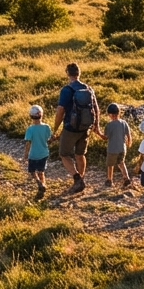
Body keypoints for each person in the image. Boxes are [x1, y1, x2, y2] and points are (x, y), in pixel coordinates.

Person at [51, 62, 100, 195]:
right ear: (79, 73)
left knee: (64, 154)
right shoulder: (89, 89)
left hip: (70, 128)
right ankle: (81, 178)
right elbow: (96, 109)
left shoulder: (67, 90)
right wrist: (96, 126)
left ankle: (77, 178)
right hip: (85, 128)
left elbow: (60, 110)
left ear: (67, 73)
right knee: (80, 154)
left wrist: (56, 128)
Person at [99, 103, 132, 188]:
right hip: (122, 148)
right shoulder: (124, 123)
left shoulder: (109, 125)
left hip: (112, 149)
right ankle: (126, 178)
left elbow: (105, 137)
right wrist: (129, 143)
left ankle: (109, 180)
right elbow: (128, 134)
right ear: (119, 113)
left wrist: (98, 133)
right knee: (121, 163)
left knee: (110, 165)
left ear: (109, 114)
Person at [23, 104, 51, 200]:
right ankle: (43, 184)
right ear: (41, 115)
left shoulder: (30, 129)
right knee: (41, 171)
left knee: (32, 171)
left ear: (30, 116)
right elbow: (48, 139)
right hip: (44, 153)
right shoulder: (46, 127)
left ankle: (39, 183)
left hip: (33, 154)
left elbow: (28, 143)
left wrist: (25, 154)